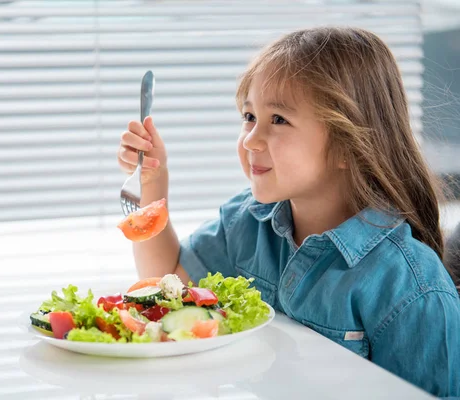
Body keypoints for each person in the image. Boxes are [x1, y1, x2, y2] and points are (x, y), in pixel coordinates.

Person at [116, 27, 460, 397]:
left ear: (350, 147)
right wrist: (153, 183)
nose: (250, 138)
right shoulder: (247, 222)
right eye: (249, 116)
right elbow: (166, 281)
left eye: (278, 119)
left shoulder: (411, 289)